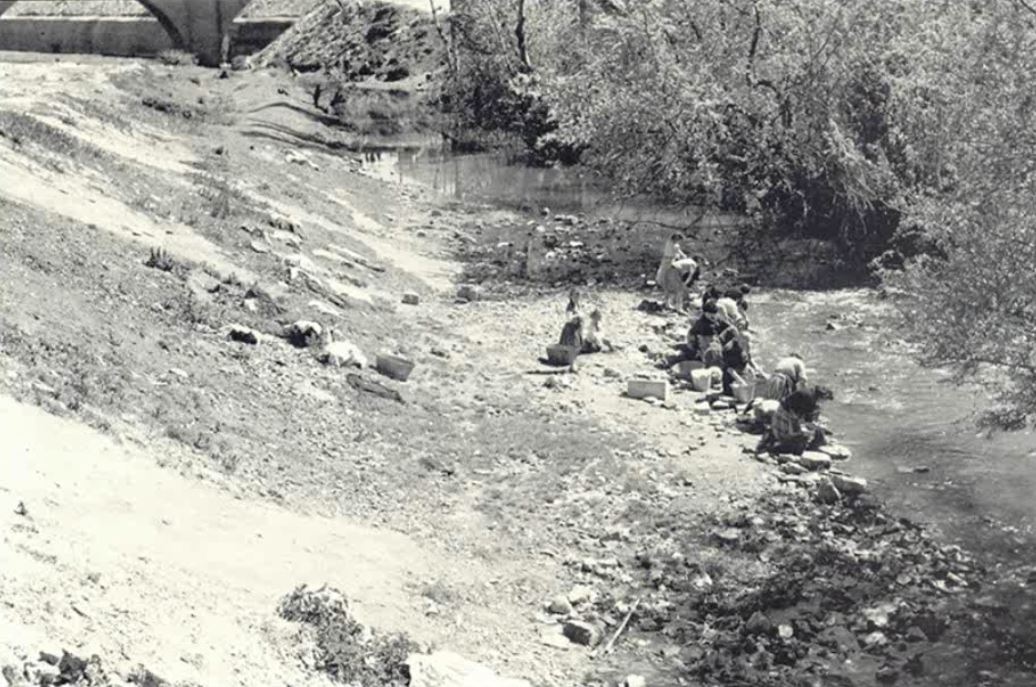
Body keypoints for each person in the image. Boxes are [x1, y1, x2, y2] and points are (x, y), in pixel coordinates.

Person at [755, 388, 827, 455]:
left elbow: (804, 417)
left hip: (786, 414)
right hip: (785, 417)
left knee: (799, 436)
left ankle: (772, 441)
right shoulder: (808, 400)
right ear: (821, 397)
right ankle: (771, 448)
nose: (824, 403)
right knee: (796, 443)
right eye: (824, 400)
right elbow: (801, 418)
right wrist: (807, 429)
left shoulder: (810, 397)